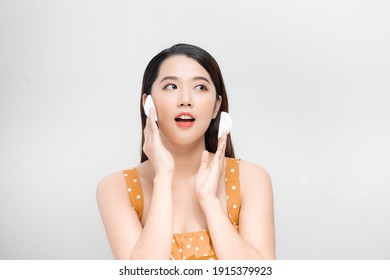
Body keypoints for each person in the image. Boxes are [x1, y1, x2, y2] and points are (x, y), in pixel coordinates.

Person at [96, 43, 275, 260]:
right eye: (171, 86)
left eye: (200, 87)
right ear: (147, 103)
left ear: (216, 107)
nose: (186, 100)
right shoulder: (116, 188)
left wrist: (210, 201)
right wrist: (163, 178)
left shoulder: (251, 179)